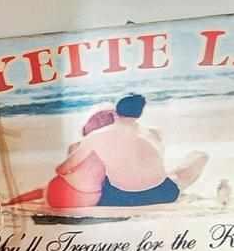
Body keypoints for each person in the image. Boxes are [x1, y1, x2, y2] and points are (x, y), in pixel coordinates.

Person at [24, 91, 208, 213]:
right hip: (161, 193)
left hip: (119, 198)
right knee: (196, 159)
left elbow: (63, 170)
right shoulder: (153, 133)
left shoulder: (94, 139)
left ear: (116, 114)